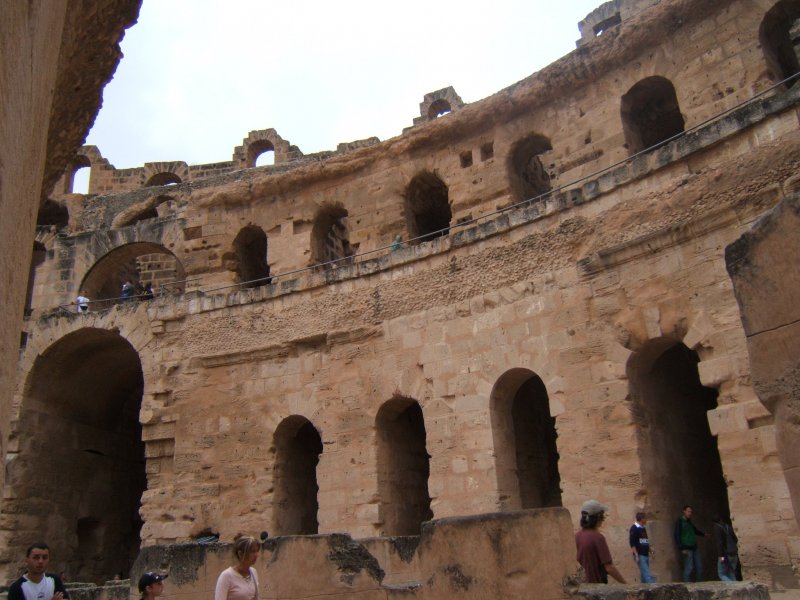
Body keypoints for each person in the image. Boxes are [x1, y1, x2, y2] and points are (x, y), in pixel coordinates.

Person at [575, 499, 627, 584]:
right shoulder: (598, 537)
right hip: (597, 584)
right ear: (599, 517)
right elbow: (609, 567)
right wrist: (626, 584)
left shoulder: (577, 536)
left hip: (584, 585)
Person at [215, 534, 261, 600]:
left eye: (257, 551)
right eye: (252, 551)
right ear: (240, 554)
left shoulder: (253, 572)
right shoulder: (226, 576)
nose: (256, 555)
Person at [674, 505, 705, 582]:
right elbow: (677, 535)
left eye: (691, 512)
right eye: (688, 511)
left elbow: (694, 530)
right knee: (689, 567)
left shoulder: (689, 522)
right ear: (684, 511)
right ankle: (687, 586)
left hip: (694, 547)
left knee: (699, 567)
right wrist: (681, 548)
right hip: (687, 548)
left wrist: (704, 534)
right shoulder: (680, 521)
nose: (690, 513)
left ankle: (700, 585)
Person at [712, 514, 741, 582]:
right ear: (721, 519)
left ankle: (731, 586)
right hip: (734, 553)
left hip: (725, 555)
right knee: (731, 572)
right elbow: (735, 539)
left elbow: (720, 543)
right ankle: (736, 588)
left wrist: (721, 557)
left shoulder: (717, 528)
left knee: (721, 574)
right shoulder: (728, 527)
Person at [629, 511, 655, 583]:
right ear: (641, 519)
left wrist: (650, 550)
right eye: (645, 518)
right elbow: (632, 543)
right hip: (640, 555)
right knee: (647, 575)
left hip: (645, 554)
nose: (646, 520)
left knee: (644, 576)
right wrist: (636, 555)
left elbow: (645, 541)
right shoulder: (634, 528)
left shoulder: (643, 528)